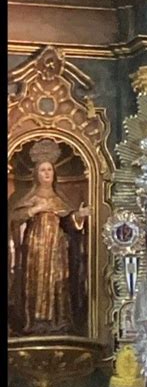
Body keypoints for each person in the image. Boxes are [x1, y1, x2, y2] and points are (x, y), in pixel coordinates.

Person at [9, 140, 90, 335]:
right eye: (43, 170)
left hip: (57, 248)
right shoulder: (29, 198)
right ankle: (34, 321)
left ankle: (58, 321)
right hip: (35, 246)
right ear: (36, 174)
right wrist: (34, 209)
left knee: (58, 280)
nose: (47, 173)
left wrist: (78, 216)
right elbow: (15, 219)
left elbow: (69, 223)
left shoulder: (59, 199)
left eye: (49, 170)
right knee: (35, 281)